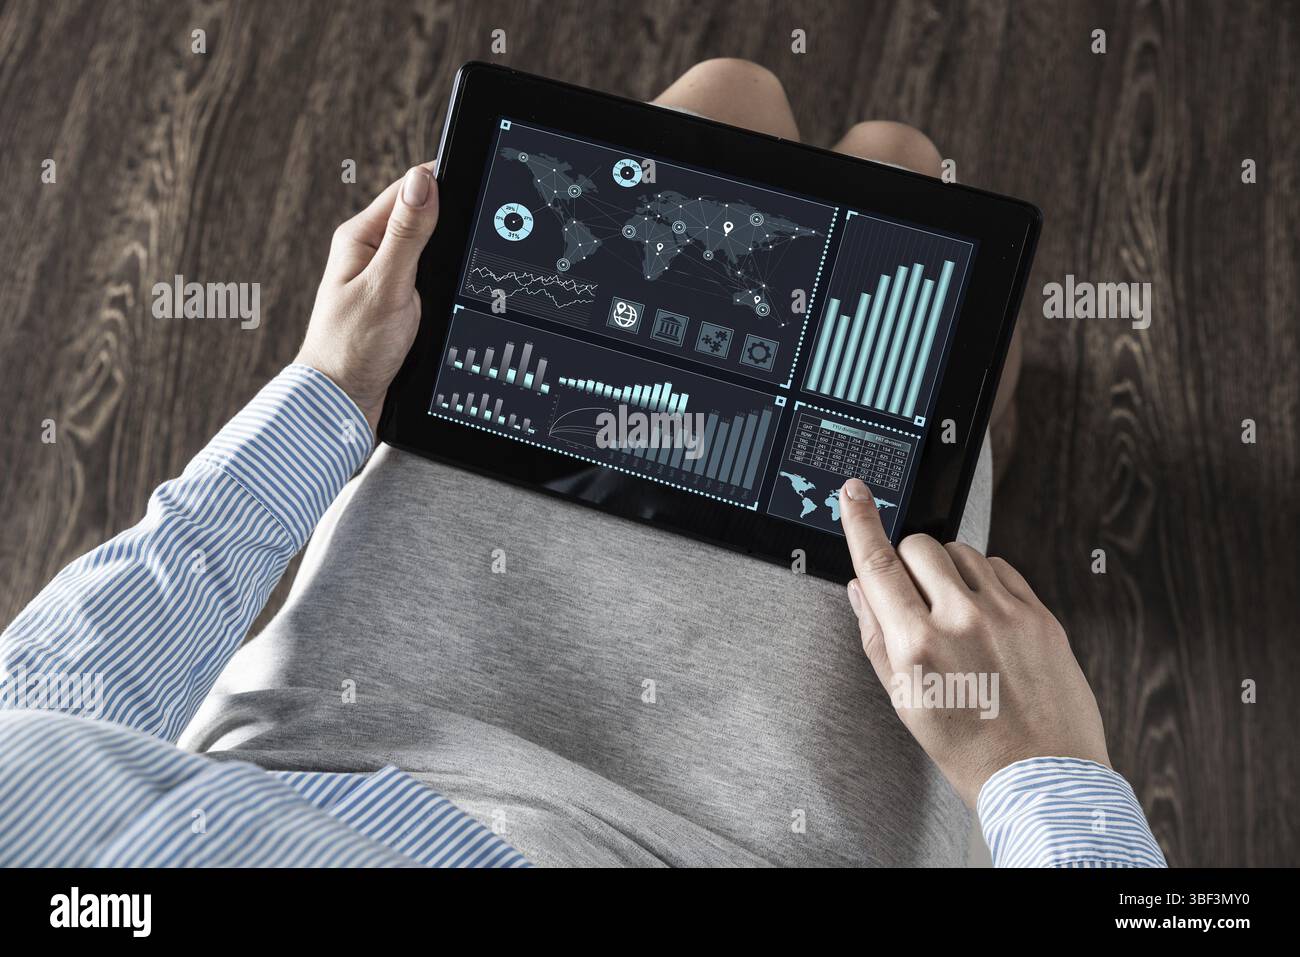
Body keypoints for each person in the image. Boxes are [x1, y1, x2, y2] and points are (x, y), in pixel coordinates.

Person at [0, 60, 1164, 867]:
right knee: (912, 191)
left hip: (350, 718)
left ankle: (977, 422)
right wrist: (1041, 769)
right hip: (741, 834)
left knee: (728, 100)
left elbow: (49, 708)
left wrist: (330, 395)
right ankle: (989, 425)